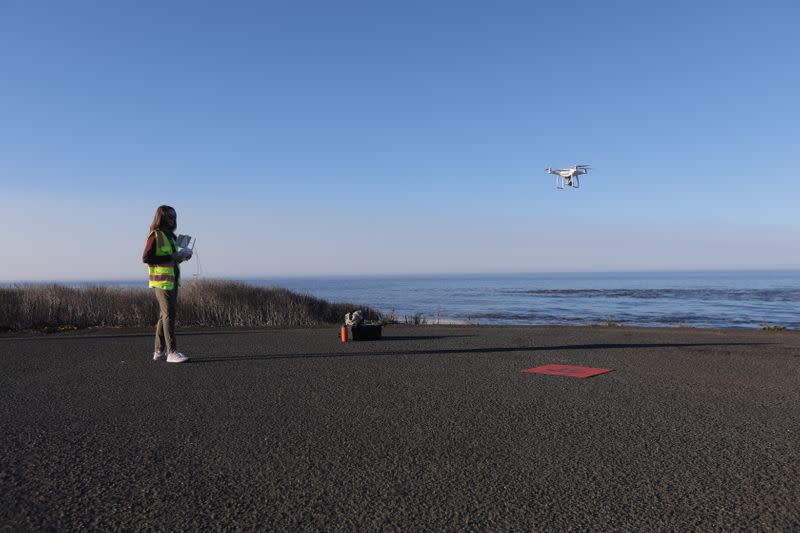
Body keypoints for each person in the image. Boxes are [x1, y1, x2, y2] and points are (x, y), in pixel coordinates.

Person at [142, 205, 192, 363]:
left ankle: (159, 351)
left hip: (171, 281)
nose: (173, 220)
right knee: (169, 315)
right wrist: (172, 257)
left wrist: (183, 256)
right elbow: (146, 258)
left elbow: (172, 258)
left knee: (164, 315)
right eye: (170, 217)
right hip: (162, 283)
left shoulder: (170, 237)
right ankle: (172, 352)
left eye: (175, 217)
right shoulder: (155, 235)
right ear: (161, 217)